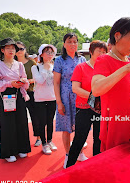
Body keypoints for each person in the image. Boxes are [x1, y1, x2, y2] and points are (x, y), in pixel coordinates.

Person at [91, 17, 130, 151]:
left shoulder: (129, 61)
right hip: (117, 124)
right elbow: (96, 89)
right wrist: (125, 69)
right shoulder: (104, 60)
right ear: (117, 36)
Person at [66, 40, 107, 168]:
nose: (101, 53)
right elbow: (75, 88)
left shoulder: (106, 69)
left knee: (99, 139)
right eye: (99, 51)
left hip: (101, 110)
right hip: (84, 109)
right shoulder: (81, 67)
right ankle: (69, 167)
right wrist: (93, 98)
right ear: (91, 52)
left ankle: (96, 167)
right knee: (79, 139)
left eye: (104, 51)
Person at [0, 38, 31, 163]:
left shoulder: (19, 64)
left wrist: (23, 81)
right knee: (7, 124)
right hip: (5, 95)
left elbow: (25, 78)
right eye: (8, 48)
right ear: (2, 50)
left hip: (19, 94)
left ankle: (22, 148)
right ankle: (9, 152)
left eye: (13, 48)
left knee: (21, 121)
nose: (11, 50)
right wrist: (9, 83)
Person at [53, 33, 87, 168]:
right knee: (66, 129)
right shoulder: (59, 60)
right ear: (64, 44)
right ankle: (68, 155)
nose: (73, 44)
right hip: (66, 97)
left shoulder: (82, 59)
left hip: (80, 97)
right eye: (70, 41)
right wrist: (59, 102)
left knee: (81, 127)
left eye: (75, 41)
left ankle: (79, 151)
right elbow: (56, 83)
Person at [31, 44, 57, 154]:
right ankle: (44, 143)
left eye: (51, 52)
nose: (50, 54)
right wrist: (46, 69)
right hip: (40, 99)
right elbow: (40, 81)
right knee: (42, 122)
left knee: (50, 121)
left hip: (52, 97)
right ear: (41, 54)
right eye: (47, 52)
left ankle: (50, 140)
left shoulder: (55, 65)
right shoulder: (35, 67)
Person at [16, 41, 40, 147]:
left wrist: (28, 81)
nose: (19, 51)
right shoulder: (12, 63)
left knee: (35, 116)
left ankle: (39, 137)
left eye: (21, 49)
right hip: (18, 93)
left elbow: (38, 77)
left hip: (31, 92)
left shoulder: (31, 63)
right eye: (17, 49)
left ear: (25, 50)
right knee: (20, 118)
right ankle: (21, 139)